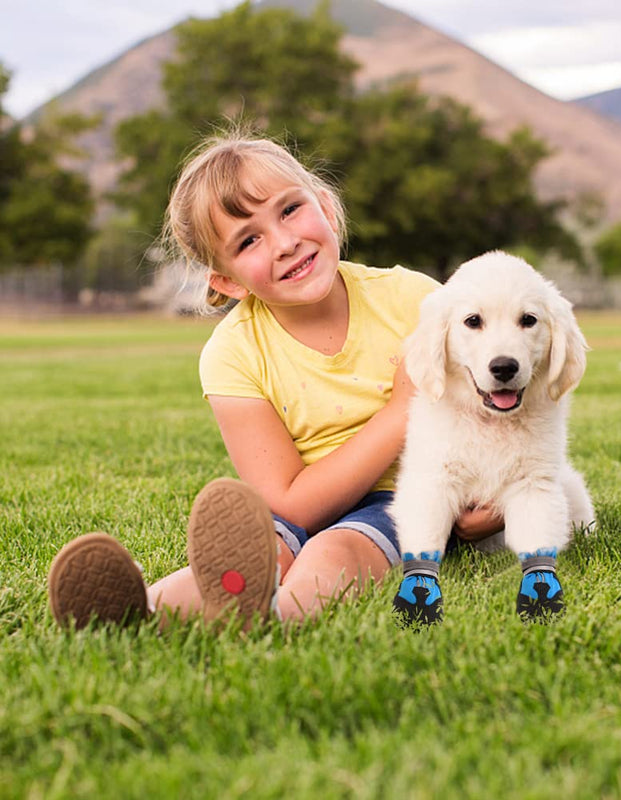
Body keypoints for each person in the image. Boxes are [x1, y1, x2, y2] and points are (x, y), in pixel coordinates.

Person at [47, 132, 503, 630]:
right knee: (255, 549)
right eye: (248, 241)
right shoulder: (233, 353)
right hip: (297, 505)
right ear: (228, 282)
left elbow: (495, 404)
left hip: (407, 496)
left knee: (337, 547)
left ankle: (276, 617)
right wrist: (402, 411)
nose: (285, 243)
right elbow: (290, 502)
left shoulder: (415, 301)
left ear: (326, 208)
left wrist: (496, 496)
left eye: (289, 210)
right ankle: (139, 609)